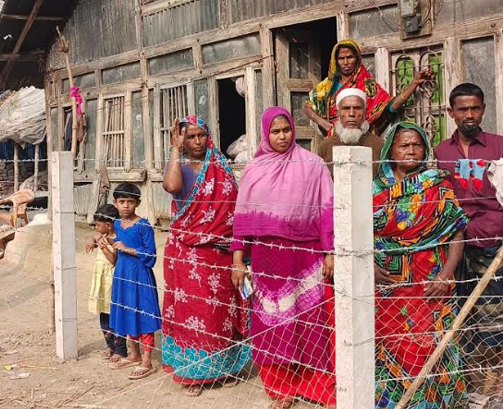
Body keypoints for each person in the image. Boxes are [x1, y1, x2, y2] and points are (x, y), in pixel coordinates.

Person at [230, 107, 336, 409]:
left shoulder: (313, 165)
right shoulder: (254, 169)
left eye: (286, 130)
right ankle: (281, 388)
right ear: (266, 133)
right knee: (274, 321)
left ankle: (317, 386)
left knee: (310, 319)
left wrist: (330, 252)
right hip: (267, 258)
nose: (281, 136)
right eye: (275, 131)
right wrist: (238, 259)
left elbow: (326, 211)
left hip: (307, 255)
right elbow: (243, 218)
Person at [434, 83, 503, 407]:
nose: (469, 115)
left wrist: (496, 220)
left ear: (483, 109)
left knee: (499, 311)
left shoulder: (500, 145)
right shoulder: (442, 151)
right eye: (462, 109)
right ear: (451, 112)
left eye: (475, 108)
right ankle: (468, 383)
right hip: (454, 245)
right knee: (461, 314)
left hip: (487, 241)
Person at [373, 121, 469, 408]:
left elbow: (457, 231)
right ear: (390, 150)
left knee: (434, 342)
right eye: (404, 145)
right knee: (390, 344)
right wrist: (368, 267)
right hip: (388, 283)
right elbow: (356, 230)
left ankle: (436, 403)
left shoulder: (437, 185)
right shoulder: (374, 189)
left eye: (417, 145)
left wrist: (445, 274)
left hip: (431, 281)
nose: (411, 150)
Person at [161, 115, 250, 397]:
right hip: (188, 253)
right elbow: (173, 187)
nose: (197, 142)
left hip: (220, 252)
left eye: (201, 135)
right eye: (190, 137)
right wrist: (174, 149)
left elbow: (234, 208)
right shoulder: (180, 166)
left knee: (219, 311)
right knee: (194, 312)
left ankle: (224, 368)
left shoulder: (220, 167)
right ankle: (194, 374)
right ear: (182, 140)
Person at [301, 39, 433, 137]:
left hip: (362, 139)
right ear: (336, 61)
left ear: (357, 59)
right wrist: (323, 123)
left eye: (350, 57)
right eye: (341, 58)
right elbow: (306, 106)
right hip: (334, 139)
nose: (346, 62)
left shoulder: (367, 85)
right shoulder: (328, 86)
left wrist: (414, 83)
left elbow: (390, 107)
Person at [108, 183, 162, 380]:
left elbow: (151, 256)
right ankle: (134, 354)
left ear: (137, 203)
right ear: (115, 202)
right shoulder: (115, 224)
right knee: (126, 311)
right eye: (121, 202)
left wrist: (128, 248)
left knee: (143, 314)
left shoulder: (143, 225)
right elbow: (108, 242)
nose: (125, 206)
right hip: (122, 275)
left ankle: (147, 361)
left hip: (140, 276)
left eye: (130, 202)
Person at [85, 203, 127, 363]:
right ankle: (109, 345)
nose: (96, 227)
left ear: (108, 225)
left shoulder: (117, 239)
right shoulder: (101, 235)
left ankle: (120, 349)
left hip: (112, 280)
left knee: (115, 313)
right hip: (101, 281)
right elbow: (93, 237)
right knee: (103, 311)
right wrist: (91, 240)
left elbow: (114, 261)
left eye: (98, 224)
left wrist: (104, 249)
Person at [316, 87, 384, 177]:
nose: (351, 113)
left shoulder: (379, 145)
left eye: (357, 108)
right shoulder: (325, 147)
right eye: (346, 108)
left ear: (365, 112)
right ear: (337, 113)